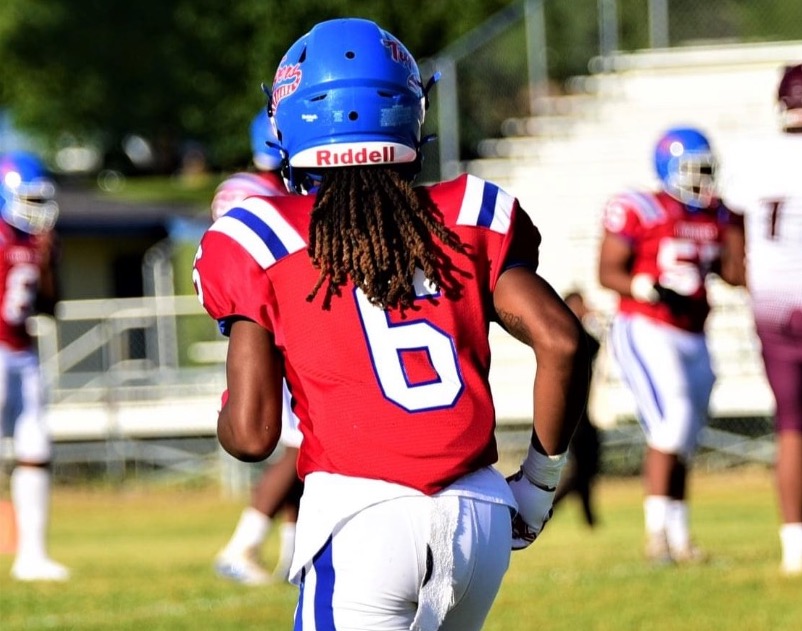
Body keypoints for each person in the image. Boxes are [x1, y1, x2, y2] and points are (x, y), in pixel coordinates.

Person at [193, 17, 590, 631]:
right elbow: (563, 342)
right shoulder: (468, 214)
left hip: (361, 517)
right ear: (409, 110)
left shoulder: (258, 234)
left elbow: (251, 436)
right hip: (478, 514)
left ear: (289, 121)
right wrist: (538, 487)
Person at [598, 126, 744, 565]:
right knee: (672, 422)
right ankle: (656, 536)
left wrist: (743, 226)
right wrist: (643, 287)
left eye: (707, 169)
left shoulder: (717, 215)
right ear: (669, 169)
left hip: (694, 331)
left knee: (685, 435)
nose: (702, 178)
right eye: (693, 170)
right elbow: (608, 272)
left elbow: (736, 274)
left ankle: (679, 538)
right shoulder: (642, 208)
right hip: (647, 326)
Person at [211, 109, 303, 585]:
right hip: (271, 329)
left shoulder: (248, 187)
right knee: (301, 445)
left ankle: (293, 557)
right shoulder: (261, 194)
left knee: (302, 447)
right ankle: (241, 545)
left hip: (260, 326)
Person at [719, 63, 802, 576]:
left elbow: (733, 255)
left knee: (791, 426)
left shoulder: (752, 157)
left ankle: (795, 545)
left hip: (772, 307)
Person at [0, 150, 69, 581]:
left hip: (23, 350)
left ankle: (32, 555)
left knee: (36, 448)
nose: (38, 209)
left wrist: (46, 262)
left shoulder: (35, 241)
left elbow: (49, 306)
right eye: (29, 198)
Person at [552, 290, 602, 527]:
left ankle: (590, 519)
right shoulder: (569, 337)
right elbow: (592, 346)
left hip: (583, 411)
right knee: (581, 471)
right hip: (574, 413)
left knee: (586, 468)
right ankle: (547, 511)